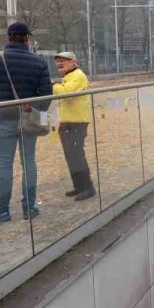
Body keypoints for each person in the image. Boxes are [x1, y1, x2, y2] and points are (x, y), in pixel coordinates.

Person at [0, 22, 52, 224]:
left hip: (5, 117)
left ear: (8, 37)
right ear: (27, 38)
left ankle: (1, 209)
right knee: (29, 163)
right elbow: (45, 97)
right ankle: (29, 207)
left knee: (4, 165)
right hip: (28, 119)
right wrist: (35, 112)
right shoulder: (39, 62)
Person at [52, 52, 96, 201]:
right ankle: (79, 186)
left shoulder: (78, 75)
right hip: (68, 121)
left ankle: (87, 188)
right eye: (58, 60)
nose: (60, 63)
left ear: (73, 62)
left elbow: (66, 92)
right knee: (71, 155)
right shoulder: (68, 77)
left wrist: (54, 85)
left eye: (64, 60)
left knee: (76, 155)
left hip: (77, 121)